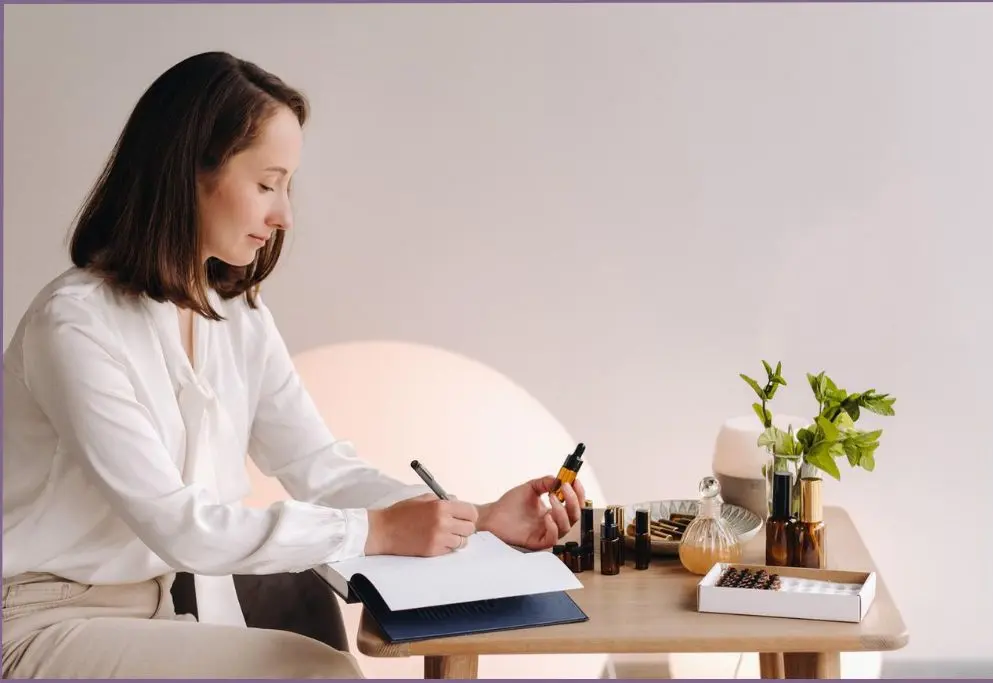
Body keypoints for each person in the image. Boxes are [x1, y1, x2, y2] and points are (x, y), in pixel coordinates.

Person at [2, 51, 585, 679]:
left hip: (159, 617)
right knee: (319, 674)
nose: (284, 215)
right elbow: (178, 524)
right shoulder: (75, 325)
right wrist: (374, 530)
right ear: (188, 171)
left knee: (324, 667)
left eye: (287, 185)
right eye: (266, 183)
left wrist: (478, 519)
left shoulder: (236, 317)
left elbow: (319, 468)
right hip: (43, 623)